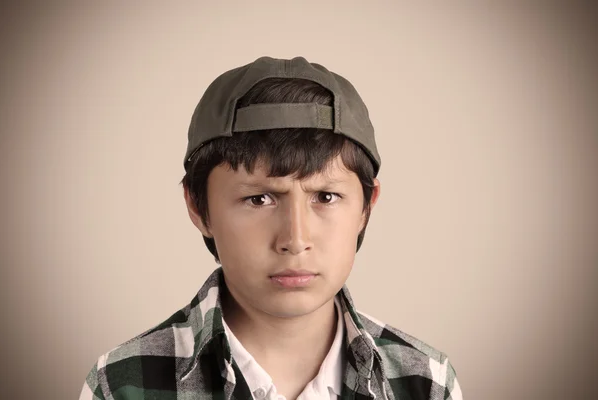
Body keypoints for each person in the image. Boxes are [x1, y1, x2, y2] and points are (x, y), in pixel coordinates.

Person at [79, 56, 463, 400]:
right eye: (259, 199)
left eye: (325, 197)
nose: (295, 240)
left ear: (366, 207)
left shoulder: (425, 382)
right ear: (199, 208)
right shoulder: (121, 385)